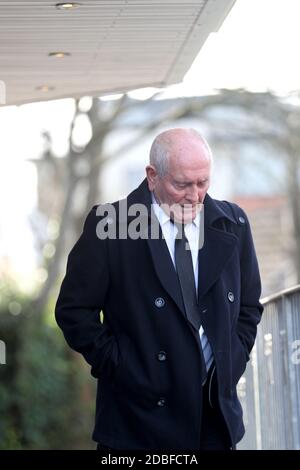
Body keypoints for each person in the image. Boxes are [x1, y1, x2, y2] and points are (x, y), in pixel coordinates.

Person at [55, 128, 263, 450]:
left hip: (214, 421)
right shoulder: (110, 225)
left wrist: (230, 362)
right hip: (138, 421)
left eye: (203, 182)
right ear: (152, 176)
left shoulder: (233, 222)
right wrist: (124, 367)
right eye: (182, 184)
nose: (195, 196)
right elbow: (73, 311)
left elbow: (249, 305)